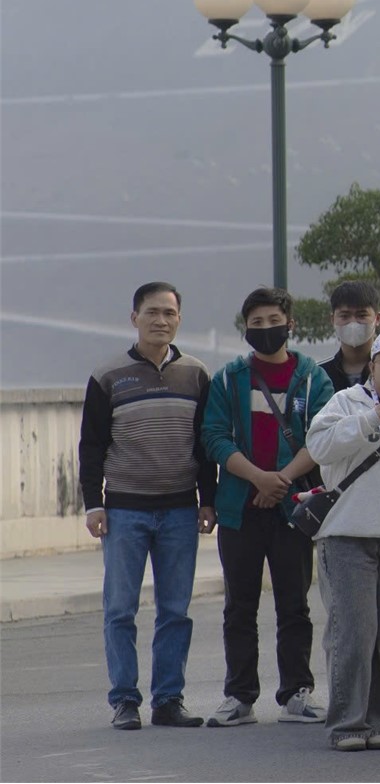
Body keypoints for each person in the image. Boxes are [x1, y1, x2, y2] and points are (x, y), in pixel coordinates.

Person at [81, 281, 216, 731]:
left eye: (170, 314)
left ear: (179, 319)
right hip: (124, 511)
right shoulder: (108, 376)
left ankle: (168, 700)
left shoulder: (196, 375)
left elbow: (204, 445)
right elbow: (92, 446)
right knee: (120, 608)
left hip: (180, 509)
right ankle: (124, 701)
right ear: (134, 318)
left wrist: (207, 501)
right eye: (152, 313)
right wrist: (92, 504)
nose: (162, 321)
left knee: (175, 610)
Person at [200, 286, 333, 727]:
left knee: (294, 605)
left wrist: (282, 480)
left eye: (272, 320)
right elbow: (214, 437)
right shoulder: (227, 379)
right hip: (240, 507)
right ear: (246, 328)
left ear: (289, 324)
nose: (264, 329)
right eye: (255, 323)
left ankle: (296, 692)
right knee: (239, 606)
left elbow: (322, 435)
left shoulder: (313, 377)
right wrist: (258, 477)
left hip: (292, 508)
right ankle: (239, 696)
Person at [304, 328, 380, 751]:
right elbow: (319, 446)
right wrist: (373, 418)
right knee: (354, 634)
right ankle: (346, 724)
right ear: (372, 366)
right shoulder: (347, 402)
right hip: (347, 535)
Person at [322, 281, 380, 394]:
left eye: (361, 315)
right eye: (345, 316)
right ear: (332, 319)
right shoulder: (319, 374)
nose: (353, 323)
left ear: (377, 318)